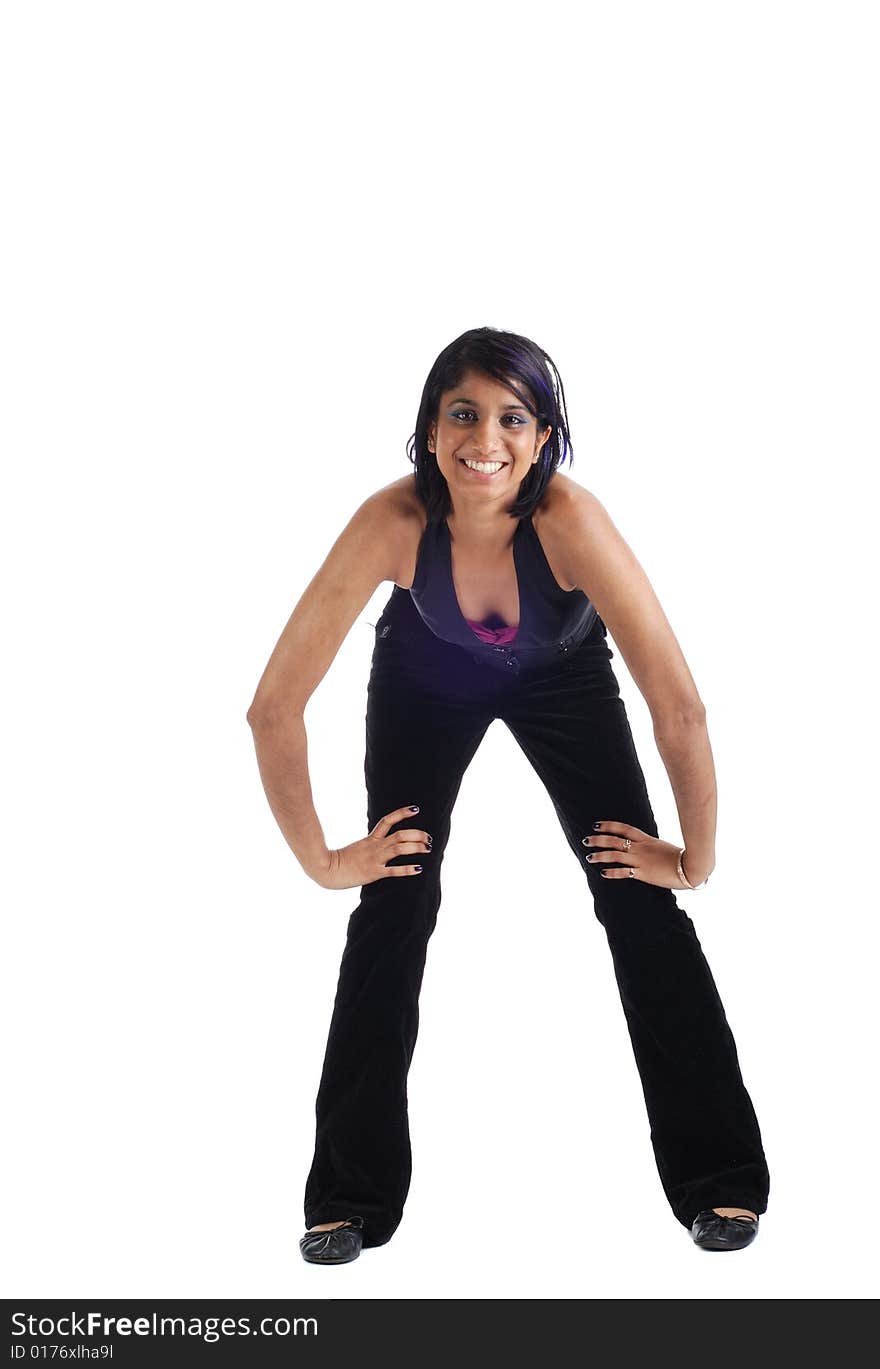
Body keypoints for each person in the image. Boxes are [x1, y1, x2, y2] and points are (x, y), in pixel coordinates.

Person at [246, 327, 770, 1264]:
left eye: (511, 418)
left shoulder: (570, 521)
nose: (483, 437)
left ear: (542, 438)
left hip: (561, 678)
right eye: (463, 412)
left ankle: (720, 1181)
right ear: (430, 425)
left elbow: (678, 706)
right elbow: (272, 708)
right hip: (425, 675)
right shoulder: (392, 522)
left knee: (636, 897)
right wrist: (325, 859)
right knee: (393, 906)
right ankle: (348, 1201)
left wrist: (694, 855)